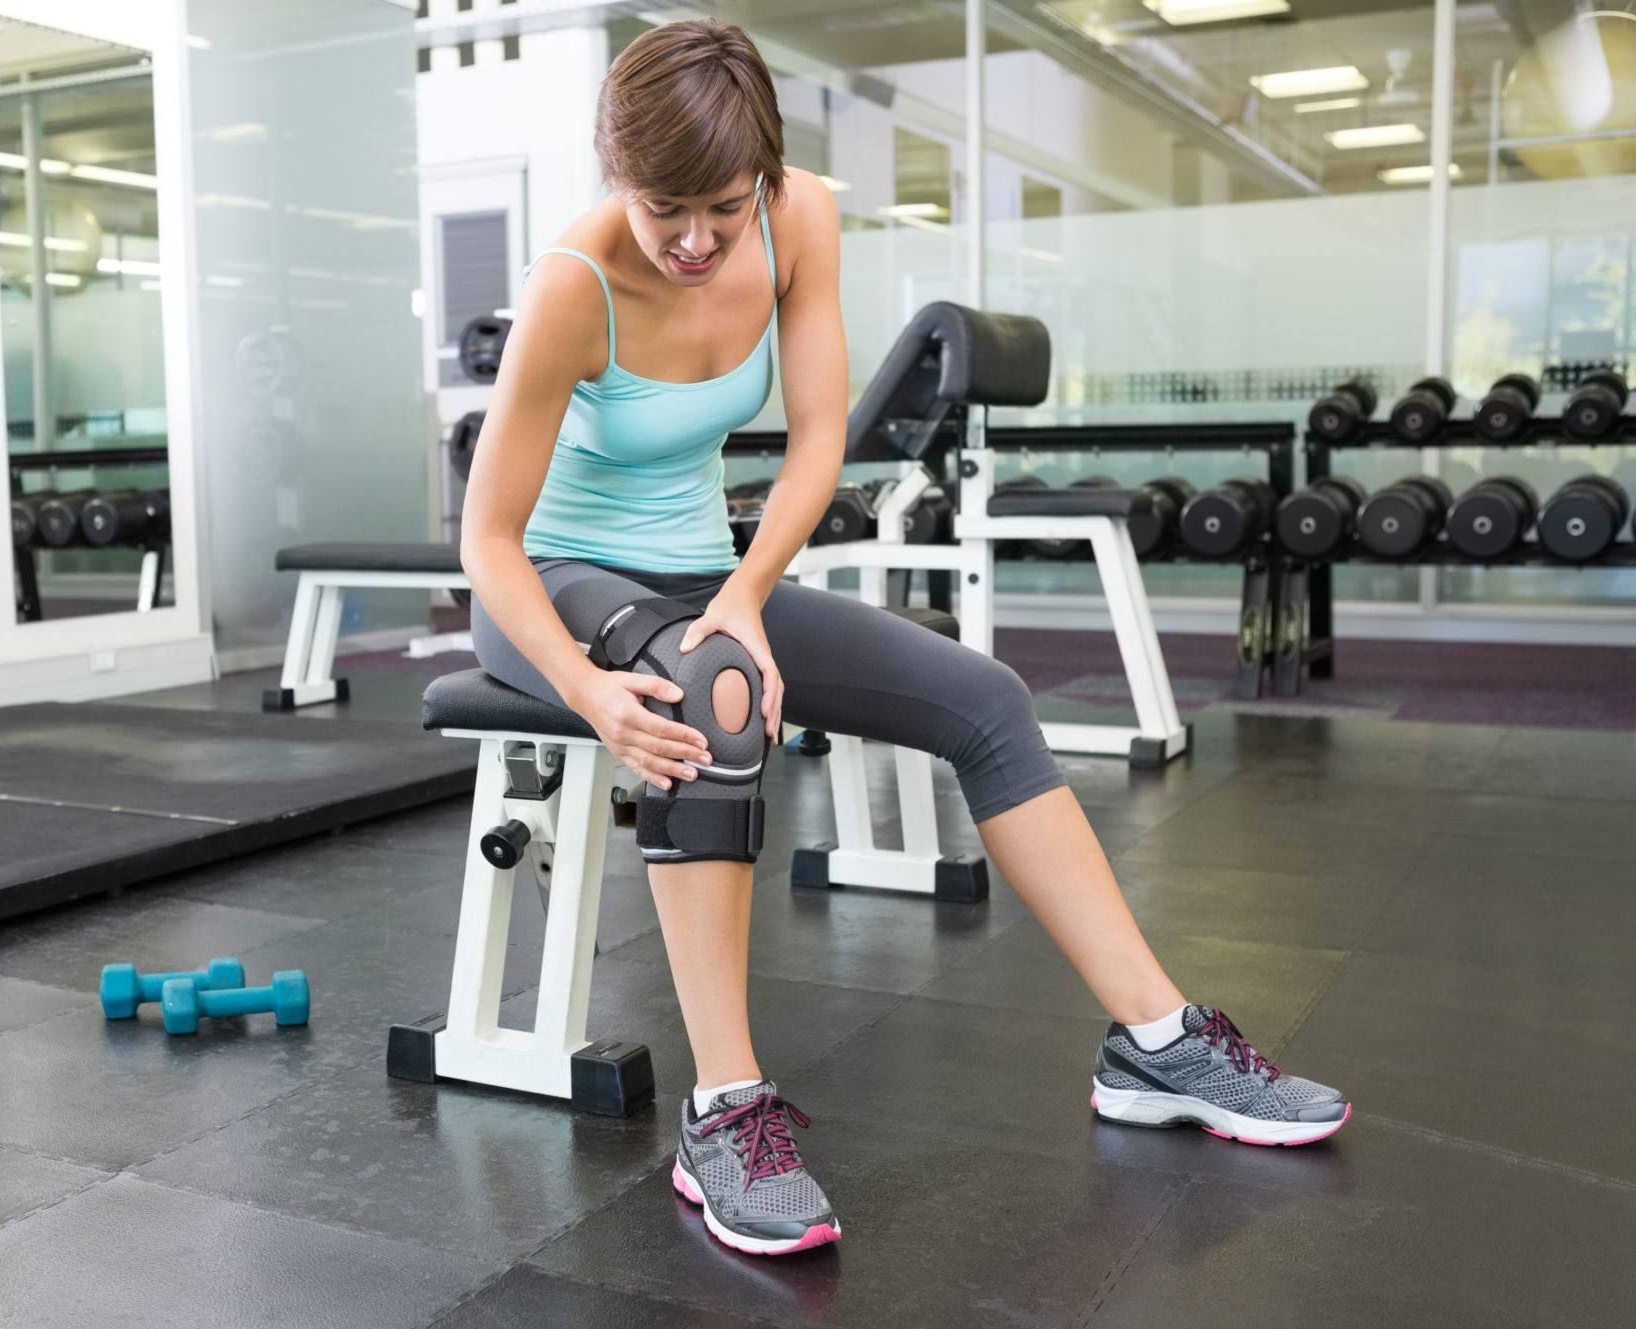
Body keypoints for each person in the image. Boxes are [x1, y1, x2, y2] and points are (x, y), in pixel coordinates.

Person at [459, 18, 1347, 1258]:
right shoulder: (576, 285)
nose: (696, 240)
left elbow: (819, 437)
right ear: (619, 178)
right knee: (711, 694)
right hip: (547, 590)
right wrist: (589, 689)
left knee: (982, 698)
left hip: (698, 576)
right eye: (666, 208)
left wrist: (740, 596)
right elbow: (486, 543)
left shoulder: (799, 220)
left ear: (765, 177)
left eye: (722, 205)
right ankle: (725, 1116)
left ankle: (1154, 1046)